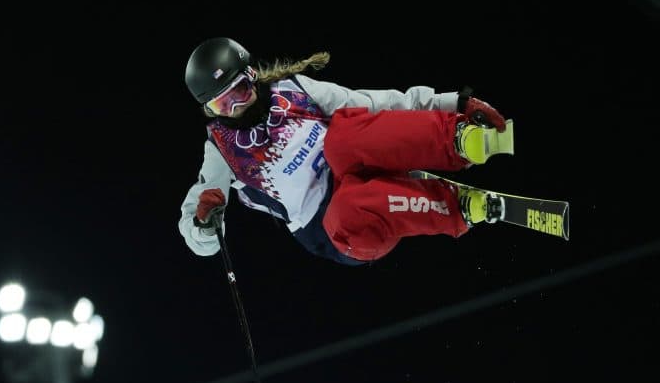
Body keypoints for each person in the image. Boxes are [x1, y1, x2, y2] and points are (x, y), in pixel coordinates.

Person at [178, 37, 515, 265]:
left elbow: (374, 104)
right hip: (336, 228)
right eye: (223, 103)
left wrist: (452, 103)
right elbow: (198, 216)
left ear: (252, 75)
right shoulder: (221, 149)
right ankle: (457, 208)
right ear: (211, 109)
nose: (236, 106)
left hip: (363, 163)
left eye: (240, 90)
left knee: (342, 138)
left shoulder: (293, 90)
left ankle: (457, 141)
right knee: (350, 204)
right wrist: (202, 224)